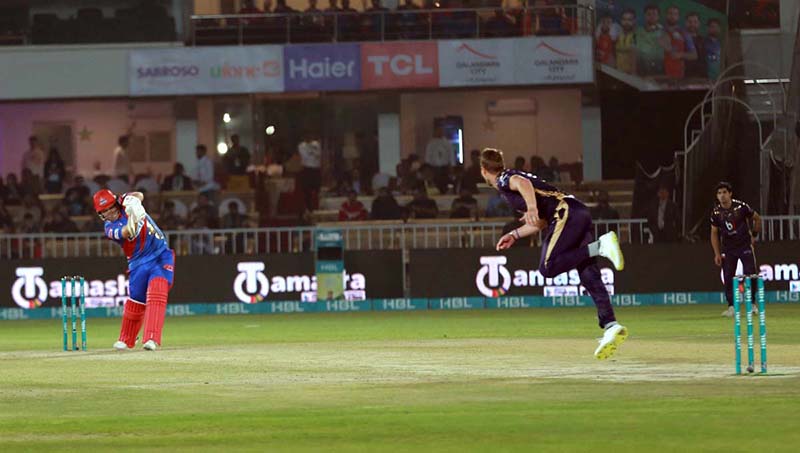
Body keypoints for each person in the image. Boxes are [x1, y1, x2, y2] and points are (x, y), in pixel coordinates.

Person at [481, 148, 627, 359]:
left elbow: (523, 184)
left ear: (484, 170)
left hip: (565, 213)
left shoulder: (504, 179)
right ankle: (611, 325)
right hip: (577, 212)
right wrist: (515, 234)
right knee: (588, 273)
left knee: (548, 267)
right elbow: (540, 222)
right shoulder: (511, 179)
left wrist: (530, 207)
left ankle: (600, 247)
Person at [93, 188, 173, 351]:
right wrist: (134, 220)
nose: (109, 212)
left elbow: (140, 195)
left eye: (111, 207)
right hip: (137, 263)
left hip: (160, 254)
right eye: (104, 211)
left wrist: (133, 204)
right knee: (136, 299)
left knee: (157, 289)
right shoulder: (109, 228)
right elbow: (127, 231)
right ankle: (126, 338)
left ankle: (151, 338)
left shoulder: (124, 202)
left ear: (116, 202)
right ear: (101, 214)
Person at [710, 182, 762, 317]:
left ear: (730, 193)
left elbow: (757, 218)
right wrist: (716, 253)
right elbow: (714, 233)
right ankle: (731, 307)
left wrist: (754, 235)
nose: (722, 196)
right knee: (728, 276)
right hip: (728, 249)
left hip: (744, 245)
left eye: (724, 192)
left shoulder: (741, 207)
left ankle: (752, 304)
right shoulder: (716, 213)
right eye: (719, 193)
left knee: (750, 273)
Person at [662, 5, 696, 79]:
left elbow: (694, 55)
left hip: (677, 73)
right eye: (670, 13)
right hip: (659, 72)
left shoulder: (685, 33)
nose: (672, 16)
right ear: (666, 15)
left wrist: (680, 55)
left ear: (678, 17)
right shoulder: (659, 31)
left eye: (675, 14)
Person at [635, 4, 665, 77]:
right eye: (649, 14)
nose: (652, 16)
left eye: (654, 14)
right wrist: (633, 70)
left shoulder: (664, 32)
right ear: (645, 16)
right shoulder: (637, 31)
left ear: (658, 16)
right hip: (641, 70)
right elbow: (633, 50)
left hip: (659, 71)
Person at [424, 126, 455, 194]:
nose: (439, 132)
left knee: (445, 184)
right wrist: (428, 168)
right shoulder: (431, 143)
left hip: (444, 167)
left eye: (440, 130)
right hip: (434, 168)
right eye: (437, 131)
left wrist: (452, 166)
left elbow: (451, 155)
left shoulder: (447, 143)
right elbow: (428, 156)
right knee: (435, 184)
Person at [684, 12, 707, 79]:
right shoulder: (680, 39)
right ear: (686, 23)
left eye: (695, 22)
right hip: (683, 77)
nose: (692, 24)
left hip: (701, 77)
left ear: (699, 23)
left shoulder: (703, 40)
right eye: (690, 22)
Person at [616, 8, 637, 74]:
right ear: (621, 20)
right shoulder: (619, 36)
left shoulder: (637, 36)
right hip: (618, 74)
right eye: (624, 19)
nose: (626, 22)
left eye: (629, 20)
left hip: (631, 77)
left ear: (634, 21)